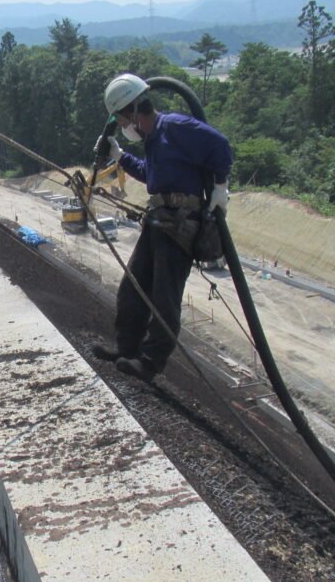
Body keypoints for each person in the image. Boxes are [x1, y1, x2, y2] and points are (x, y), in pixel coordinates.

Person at [92, 73, 233, 382]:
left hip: (180, 223)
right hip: (159, 219)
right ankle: (126, 348)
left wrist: (220, 188)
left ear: (131, 112)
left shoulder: (176, 127)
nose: (121, 123)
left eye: (119, 117)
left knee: (164, 295)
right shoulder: (153, 140)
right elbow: (151, 174)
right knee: (134, 286)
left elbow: (220, 145)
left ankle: (151, 363)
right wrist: (119, 157)